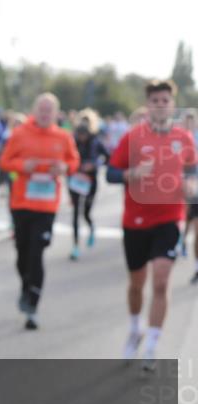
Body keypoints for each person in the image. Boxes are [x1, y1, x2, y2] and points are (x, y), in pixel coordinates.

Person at [107, 80, 197, 371]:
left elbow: (192, 172)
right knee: (137, 285)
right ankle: (135, 328)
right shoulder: (133, 137)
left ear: (172, 104)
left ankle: (152, 345)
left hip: (169, 219)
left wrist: (191, 187)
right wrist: (131, 173)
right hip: (134, 221)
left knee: (161, 280)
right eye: (155, 100)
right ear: (148, 105)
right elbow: (110, 172)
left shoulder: (184, 139)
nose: (160, 105)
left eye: (165, 100)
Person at [0, 93, 80, 330]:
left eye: (49, 110)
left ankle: (33, 304)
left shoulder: (63, 137)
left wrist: (64, 167)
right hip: (22, 203)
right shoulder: (20, 133)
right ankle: (26, 285)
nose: (45, 113)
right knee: (22, 253)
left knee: (37, 252)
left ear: (56, 113)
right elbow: (4, 162)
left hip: (46, 205)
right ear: (34, 110)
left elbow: (73, 163)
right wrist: (23, 166)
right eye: (41, 109)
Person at [68, 109, 107, 260]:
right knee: (75, 213)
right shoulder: (73, 140)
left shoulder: (96, 141)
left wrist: (95, 164)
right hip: (76, 181)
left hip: (90, 181)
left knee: (86, 213)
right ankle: (75, 245)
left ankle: (91, 228)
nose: (82, 136)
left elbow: (108, 157)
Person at [181, 109, 198, 283]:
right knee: (185, 220)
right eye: (187, 121)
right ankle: (182, 241)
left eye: (192, 121)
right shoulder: (177, 139)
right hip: (181, 187)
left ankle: (196, 268)